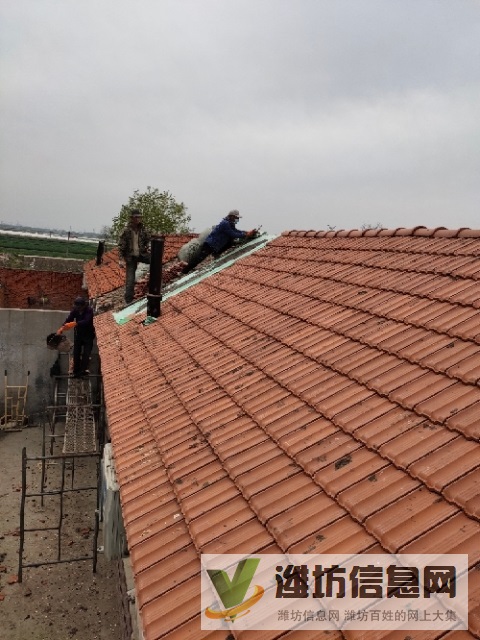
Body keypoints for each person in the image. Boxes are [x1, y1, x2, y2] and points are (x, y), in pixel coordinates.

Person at [182, 210, 256, 273]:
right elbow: (232, 234)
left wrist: (246, 232)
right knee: (199, 259)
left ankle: (216, 253)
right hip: (210, 244)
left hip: (216, 245)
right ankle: (185, 270)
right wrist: (245, 234)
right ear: (231, 216)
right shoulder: (225, 223)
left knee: (230, 242)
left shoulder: (230, 223)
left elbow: (236, 231)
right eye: (236, 217)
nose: (237, 219)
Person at [118, 209, 151, 304]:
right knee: (130, 281)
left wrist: (149, 246)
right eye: (136, 217)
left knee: (155, 261)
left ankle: (155, 284)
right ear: (132, 218)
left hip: (142, 255)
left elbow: (148, 239)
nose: (138, 219)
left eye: (139, 217)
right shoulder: (126, 230)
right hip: (130, 257)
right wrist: (121, 259)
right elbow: (121, 246)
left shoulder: (143, 229)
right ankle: (128, 301)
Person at [57, 297, 95, 378]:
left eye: (79, 308)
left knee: (86, 354)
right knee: (76, 353)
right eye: (76, 307)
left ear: (83, 306)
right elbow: (69, 319)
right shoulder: (75, 310)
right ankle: (76, 371)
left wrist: (76, 323)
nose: (78, 309)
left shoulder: (89, 310)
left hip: (88, 335)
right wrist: (62, 328)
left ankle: (82, 371)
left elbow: (87, 321)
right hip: (78, 334)